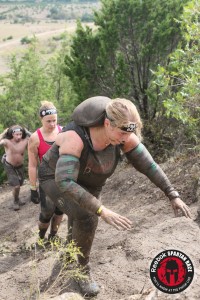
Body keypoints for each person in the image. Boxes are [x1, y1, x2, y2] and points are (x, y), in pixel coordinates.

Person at [38, 96, 191, 297]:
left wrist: (172, 194)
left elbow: (150, 166)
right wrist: (101, 210)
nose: (124, 139)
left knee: (81, 217)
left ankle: (70, 254)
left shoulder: (125, 135)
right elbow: (65, 182)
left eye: (129, 134)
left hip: (91, 181)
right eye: (121, 133)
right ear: (107, 123)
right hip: (54, 178)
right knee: (88, 215)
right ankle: (82, 272)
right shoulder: (74, 137)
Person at [28, 101, 64, 242]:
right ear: (41, 119)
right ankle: (41, 237)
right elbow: (32, 165)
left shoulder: (63, 131)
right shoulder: (35, 138)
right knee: (47, 211)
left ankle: (53, 236)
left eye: (54, 120)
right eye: (48, 121)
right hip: (46, 179)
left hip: (63, 177)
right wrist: (32, 188)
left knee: (61, 209)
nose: (52, 124)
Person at [0, 125, 31, 211]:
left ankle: (17, 198)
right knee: (16, 186)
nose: (18, 136)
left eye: (20, 134)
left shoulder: (25, 140)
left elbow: (37, 138)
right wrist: (3, 133)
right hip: (9, 166)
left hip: (20, 166)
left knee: (20, 184)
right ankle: (15, 201)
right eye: (16, 134)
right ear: (12, 134)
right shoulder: (6, 141)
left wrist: (27, 132)